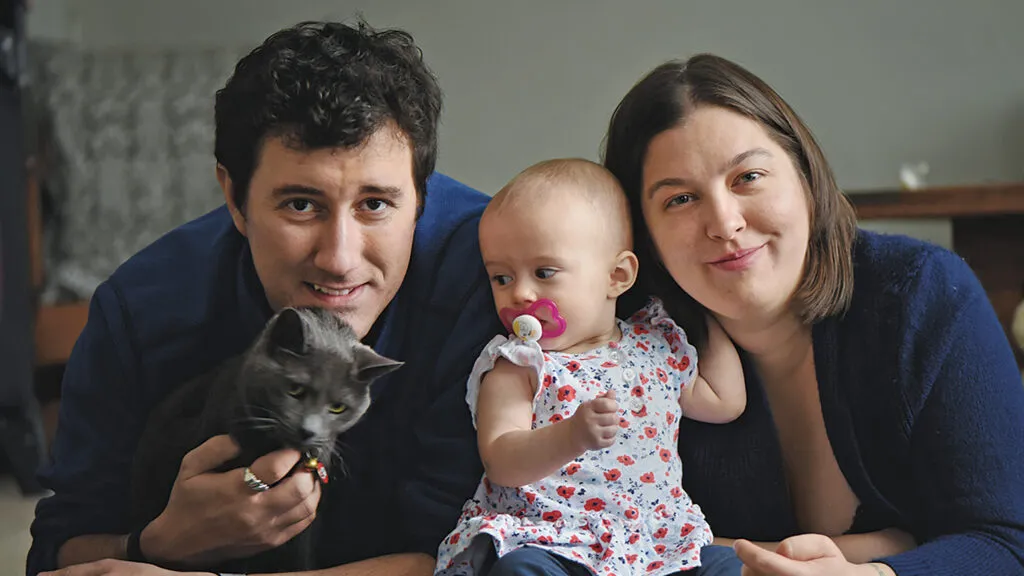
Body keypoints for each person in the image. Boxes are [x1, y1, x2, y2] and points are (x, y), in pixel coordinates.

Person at [28, 20, 500, 576]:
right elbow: (57, 551)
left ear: (421, 198)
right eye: (301, 205)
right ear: (234, 197)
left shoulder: (491, 278)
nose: (339, 258)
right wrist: (156, 544)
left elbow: (476, 556)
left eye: (375, 204)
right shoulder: (141, 308)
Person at [601, 53, 1024, 576]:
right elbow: (606, 538)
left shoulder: (922, 295)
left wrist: (870, 573)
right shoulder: (625, 352)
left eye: (748, 177)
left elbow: (1007, 541)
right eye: (681, 199)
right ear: (642, 235)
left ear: (804, 176)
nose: (724, 222)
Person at [434, 159, 748, 576]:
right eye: (501, 278)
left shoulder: (656, 345)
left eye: (544, 273)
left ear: (617, 276)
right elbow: (502, 461)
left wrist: (699, 305)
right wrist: (571, 436)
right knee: (519, 569)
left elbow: (726, 402)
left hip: (657, 545)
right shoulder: (519, 364)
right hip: (551, 541)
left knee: (730, 567)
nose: (521, 293)